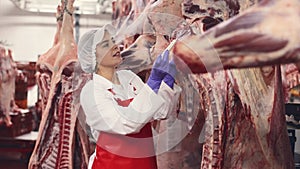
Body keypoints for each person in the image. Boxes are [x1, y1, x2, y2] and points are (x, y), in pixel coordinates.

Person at [78, 24, 181, 169]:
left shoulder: (128, 77)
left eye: (113, 41)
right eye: (106, 44)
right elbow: (126, 124)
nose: (115, 46)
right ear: (93, 57)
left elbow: (160, 112)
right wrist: (153, 82)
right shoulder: (92, 92)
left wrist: (167, 83)